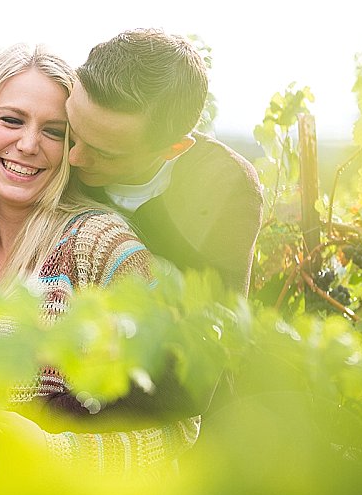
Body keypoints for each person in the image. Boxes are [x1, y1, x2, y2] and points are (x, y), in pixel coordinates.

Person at [0, 43, 200, 483]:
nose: (28, 144)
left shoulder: (99, 244)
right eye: (12, 120)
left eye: (54, 131)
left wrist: (51, 451)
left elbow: (181, 425)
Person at [66, 29, 263, 298]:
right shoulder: (40, 139)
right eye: (70, 132)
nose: (73, 158)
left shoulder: (226, 187)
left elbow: (215, 319)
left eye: (106, 153)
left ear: (174, 149)